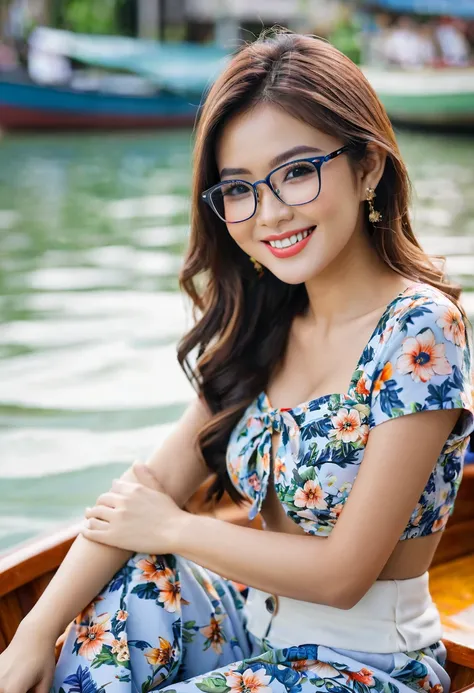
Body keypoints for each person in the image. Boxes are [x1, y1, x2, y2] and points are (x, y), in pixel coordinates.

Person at [1, 28, 474, 693]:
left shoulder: (420, 327)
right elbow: (147, 489)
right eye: (239, 188)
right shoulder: (264, 323)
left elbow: (344, 574)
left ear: (368, 165)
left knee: (159, 542)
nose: (270, 212)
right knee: (139, 578)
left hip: (370, 666)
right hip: (248, 627)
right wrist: (29, 635)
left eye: (297, 172)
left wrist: (173, 526)